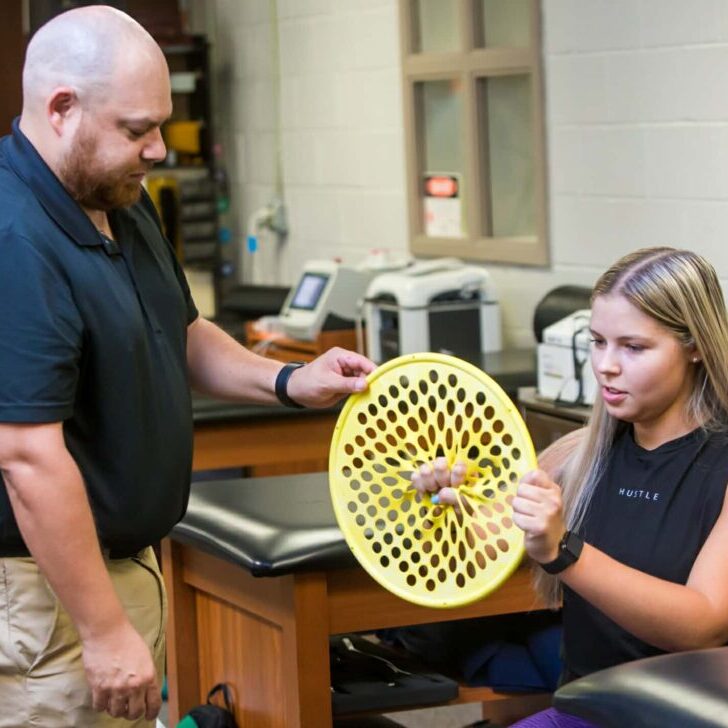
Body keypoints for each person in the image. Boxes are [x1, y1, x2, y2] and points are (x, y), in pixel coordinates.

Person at [0, 6, 375, 727]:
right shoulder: (16, 238)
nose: (159, 149)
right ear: (60, 109)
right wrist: (105, 629)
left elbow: (184, 330)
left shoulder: (115, 197)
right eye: (137, 129)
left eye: (160, 125)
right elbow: (26, 457)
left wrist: (291, 382)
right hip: (48, 599)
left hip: (125, 566)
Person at [413, 247, 728, 727]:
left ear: (695, 345)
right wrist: (445, 504)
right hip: (585, 710)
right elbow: (480, 551)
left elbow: (701, 625)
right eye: (597, 342)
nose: (606, 365)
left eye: (633, 347)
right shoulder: (581, 452)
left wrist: (564, 550)